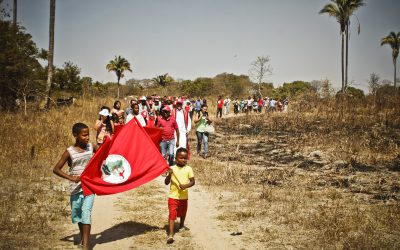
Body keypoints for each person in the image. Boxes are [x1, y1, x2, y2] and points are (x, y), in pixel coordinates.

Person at [53, 123, 98, 249]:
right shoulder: (69, 152)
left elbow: (102, 153)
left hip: (89, 186)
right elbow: (56, 169)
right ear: (75, 135)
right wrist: (71, 178)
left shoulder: (91, 147)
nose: (87, 137)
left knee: (86, 213)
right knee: (77, 214)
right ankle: (83, 236)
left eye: (88, 134)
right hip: (75, 188)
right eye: (84, 135)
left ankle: (86, 245)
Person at [164, 148, 195, 244]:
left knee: (182, 212)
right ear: (176, 158)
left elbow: (193, 182)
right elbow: (166, 182)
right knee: (172, 214)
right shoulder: (172, 168)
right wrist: (169, 174)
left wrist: (185, 186)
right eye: (181, 158)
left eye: (185, 158)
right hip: (173, 197)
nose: (183, 160)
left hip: (184, 197)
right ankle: (171, 234)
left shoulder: (189, 169)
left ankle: (181, 225)